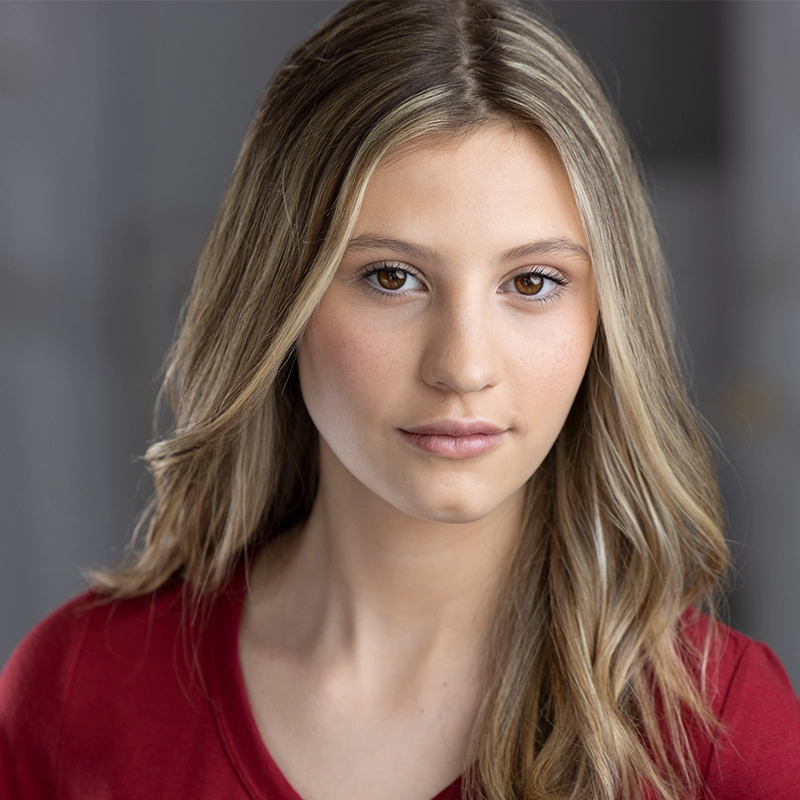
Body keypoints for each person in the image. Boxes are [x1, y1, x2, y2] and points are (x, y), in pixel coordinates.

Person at [2, 1, 799, 798]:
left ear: (604, 318)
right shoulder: (78, 693)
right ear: (284, 297)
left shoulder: (721, 737)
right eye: (393, 277)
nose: (463, 366)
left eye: (532, 282)